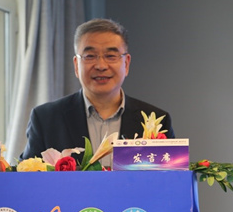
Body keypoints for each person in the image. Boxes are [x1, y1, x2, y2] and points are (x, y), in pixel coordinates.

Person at [20, 18, 175, 165]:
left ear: (126, 64)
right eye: (90, 56)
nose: (101, 66)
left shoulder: (157, 121)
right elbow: (27, 177)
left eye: (111, 56)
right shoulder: (45, 119)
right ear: (76, 65)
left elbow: (170, 180)